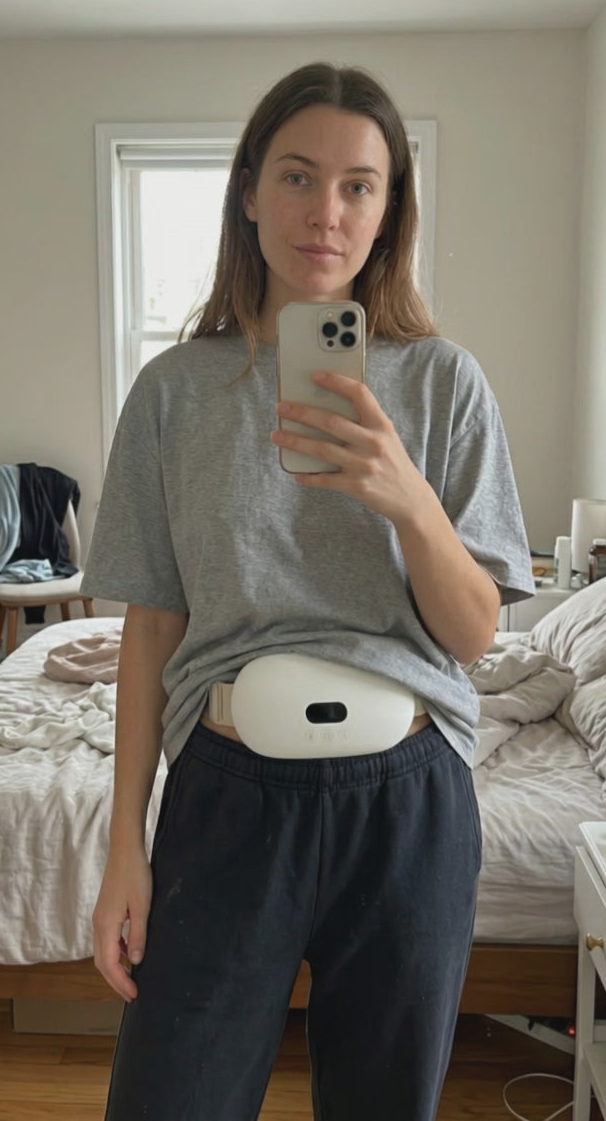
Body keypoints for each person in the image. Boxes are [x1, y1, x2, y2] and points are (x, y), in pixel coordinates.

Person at [84, 61, 534, 1121]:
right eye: (296, 176)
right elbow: (151, 626)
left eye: (356, 185)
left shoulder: (445, 382)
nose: (324, 212)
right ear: (248, 192)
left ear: (388, 210)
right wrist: (124, 849)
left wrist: (409, 501)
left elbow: (474, 636)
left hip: (408, 800)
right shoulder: (171, 392)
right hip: (224, 794)